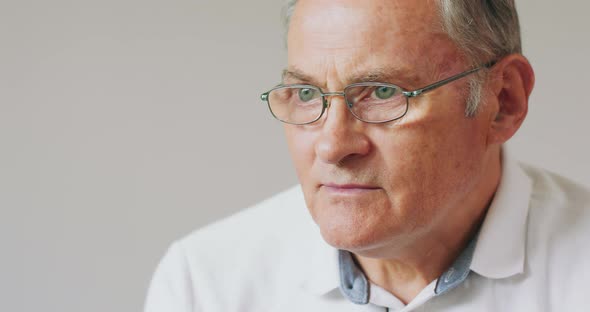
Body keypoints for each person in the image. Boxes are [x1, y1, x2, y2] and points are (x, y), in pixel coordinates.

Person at [144, 0, 590, 311]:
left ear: (503, 101)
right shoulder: (206, 283)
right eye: (306, 93)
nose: (333, 145)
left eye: (382, 92)